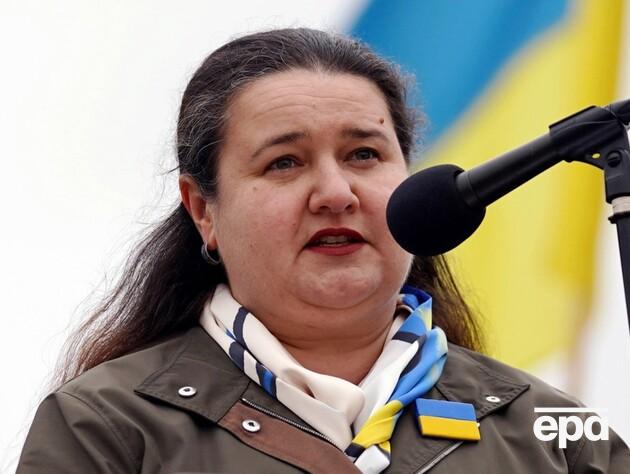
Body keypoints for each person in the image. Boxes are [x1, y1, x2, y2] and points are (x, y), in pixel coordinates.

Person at [17, 28, 629, 473]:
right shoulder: (107, 427)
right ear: (203, 209)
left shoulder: (552, 434)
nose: (336, 194)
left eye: (364, 155)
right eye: (284, 162)